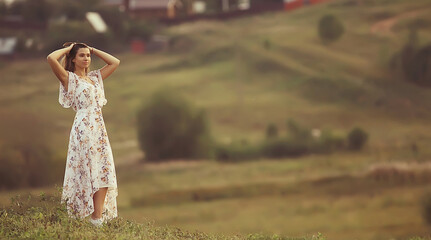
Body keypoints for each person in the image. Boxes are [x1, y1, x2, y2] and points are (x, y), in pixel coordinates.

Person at [47, 42, 120, 227]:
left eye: (88, 56)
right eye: (82, 55)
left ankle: (97, 217)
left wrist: (93, 49)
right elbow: (51, 58)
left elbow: (115, 62)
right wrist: (69, 48)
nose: (87, 58)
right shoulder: (69, 79)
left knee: (104, 169)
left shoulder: (95, 78)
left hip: (99, 129)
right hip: (83, 129)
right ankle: (85, 215)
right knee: (87, 169)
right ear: (73, 59)